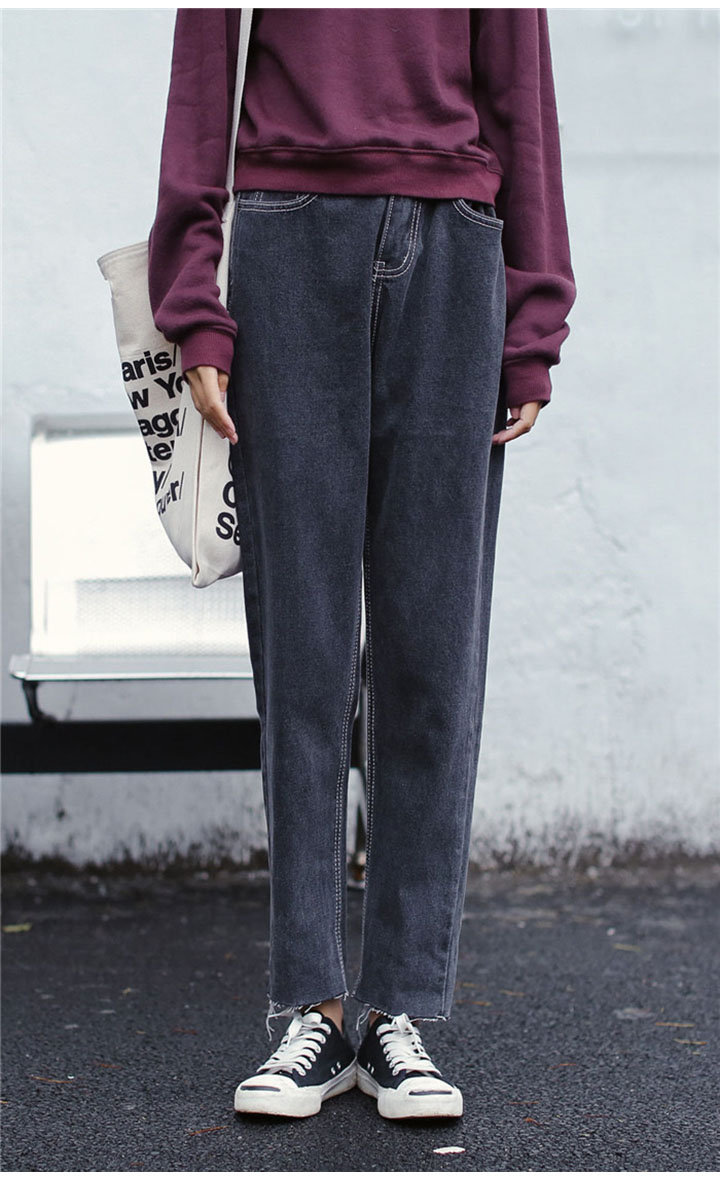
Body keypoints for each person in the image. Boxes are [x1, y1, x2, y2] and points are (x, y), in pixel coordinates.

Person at [148, 7, 576, 1121]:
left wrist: (533, 312)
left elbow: (520, 84)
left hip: (457, 243)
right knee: (305, 651)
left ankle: (397, 1011)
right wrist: (194, 303)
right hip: (287, 240)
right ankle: (314, 1003)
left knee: (432, 653)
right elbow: (201, 81)